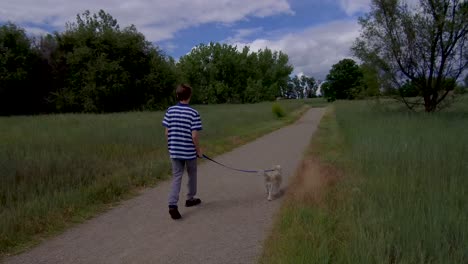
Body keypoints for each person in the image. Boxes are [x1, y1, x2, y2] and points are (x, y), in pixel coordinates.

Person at [162, 84, 203, 220]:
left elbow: (167, 132)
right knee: (192, 174)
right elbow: (194, 136)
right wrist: (199, 151)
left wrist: (170, 147)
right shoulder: (193, 113)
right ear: (189, 96)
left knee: (176, 177)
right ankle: (190, 198)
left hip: (174, 151)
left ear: (177, 96)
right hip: (189, 152)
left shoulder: (170, 110)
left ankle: (172, 205)